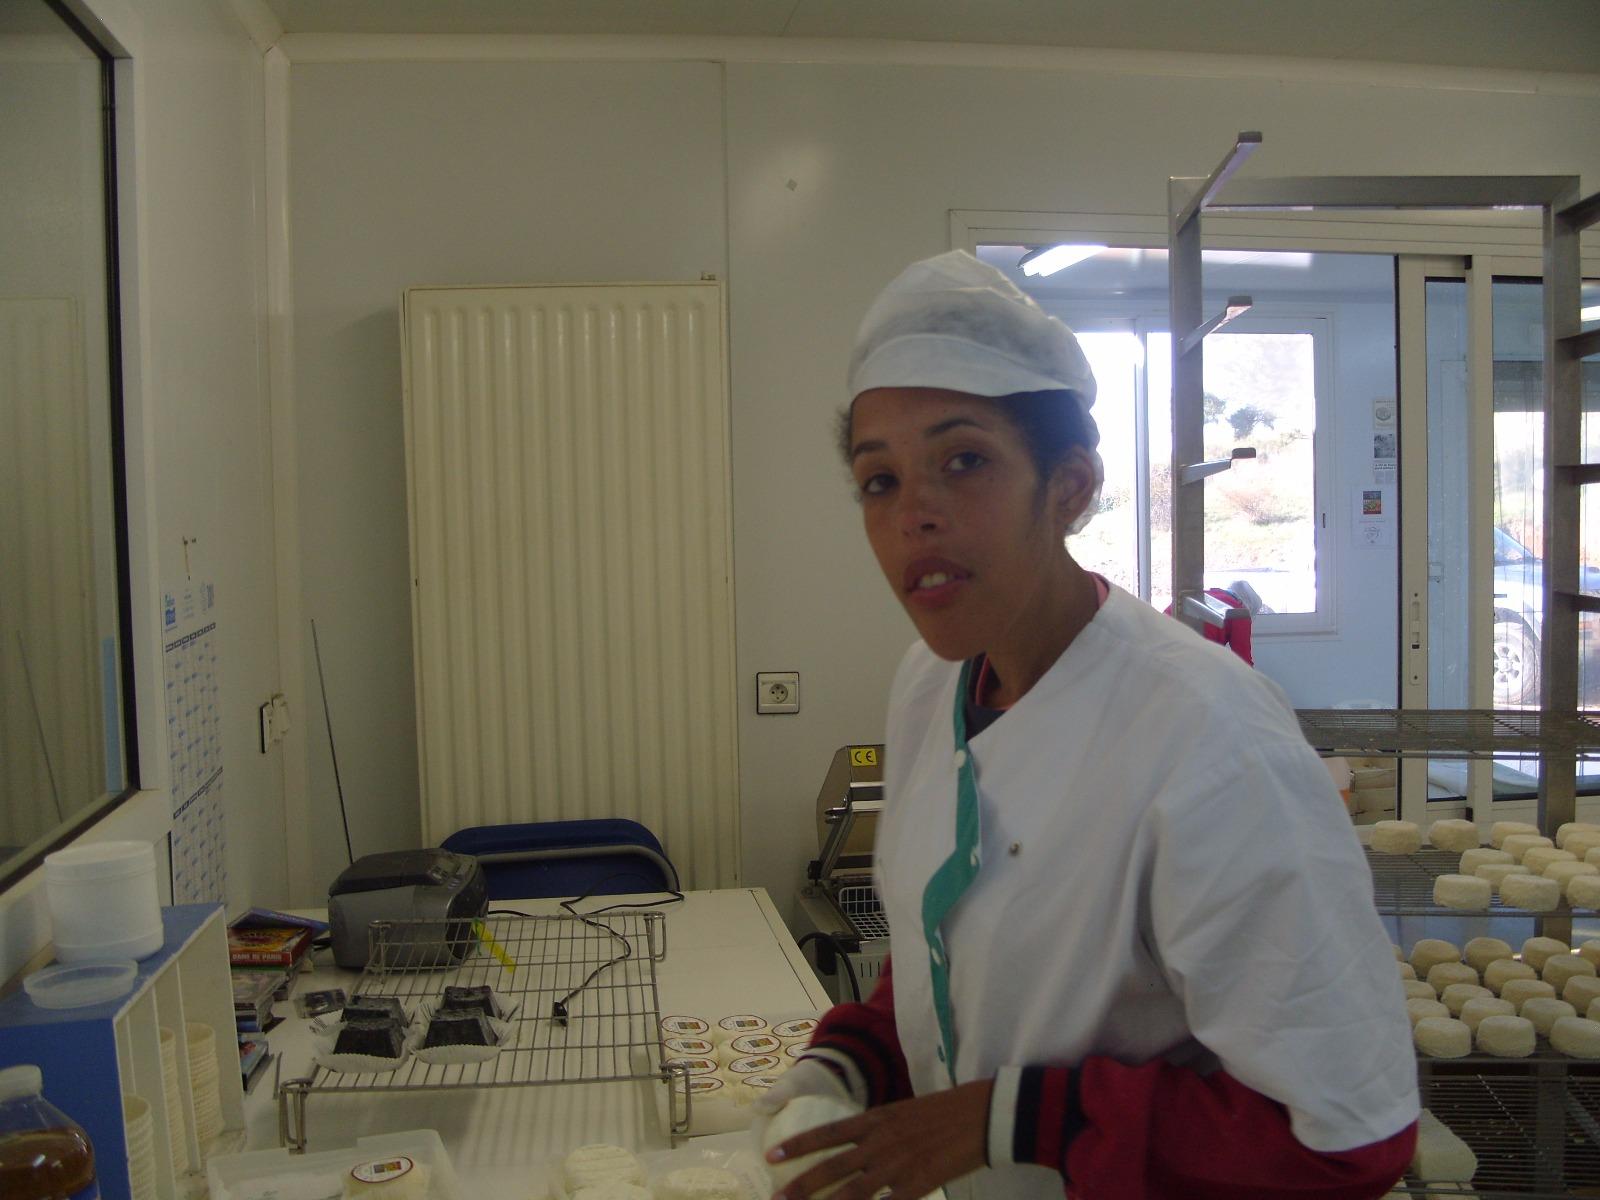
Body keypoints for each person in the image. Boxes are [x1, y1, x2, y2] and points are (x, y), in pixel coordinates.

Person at [756, 251, 1419, 1200]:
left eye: (964, 461)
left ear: (1069, 487)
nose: (915, 518)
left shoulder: (1209, 739)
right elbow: (952, 935)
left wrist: (1008, 1121)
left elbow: (1346, 1138)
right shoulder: (929, 684)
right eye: (879, 480)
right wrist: (856, 1061)